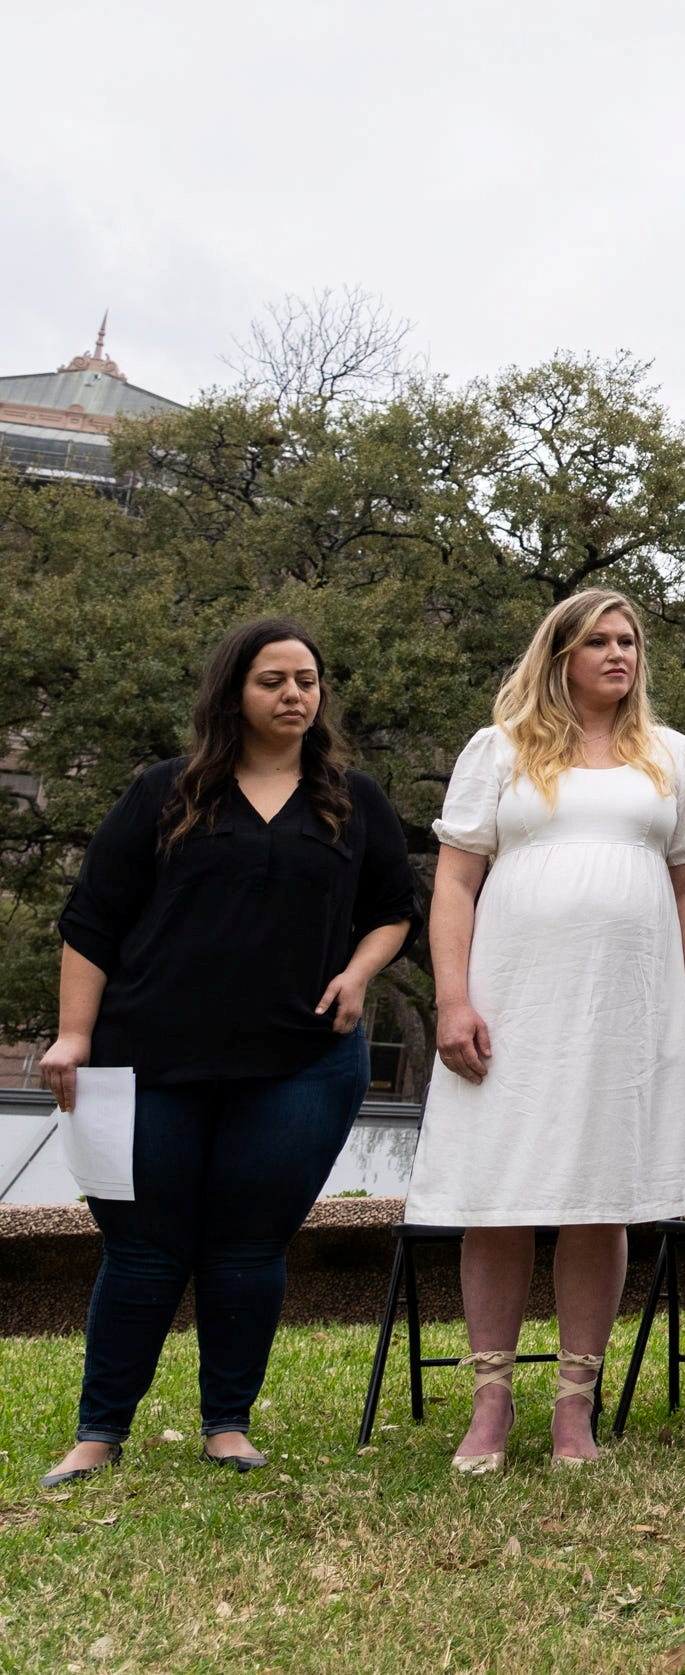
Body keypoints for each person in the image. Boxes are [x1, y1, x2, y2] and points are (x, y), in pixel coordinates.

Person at [37, 619, 417, 1488]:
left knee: (249, 1247)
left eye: (307, 681)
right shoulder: (165, 793)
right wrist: (72, 1035)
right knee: (142, 1250)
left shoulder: (352, 800)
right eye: (272, 680)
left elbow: (395, 906)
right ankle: (99, 1433)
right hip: (147, 1061)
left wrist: (360, 972)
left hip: (301, 1064)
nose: (294, 695)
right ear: (232, 693)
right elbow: (92, 920)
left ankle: (228, 1426)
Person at [405, 589, 685, 1473]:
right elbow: (455, 883)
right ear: (560, 656)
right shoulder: (499, 750)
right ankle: (491, 1403)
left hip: (626, 1011)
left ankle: (574, 1407)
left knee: (600, 1197)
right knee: (501, 1193)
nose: (618, 654)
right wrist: (453, 997)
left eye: (628, 640)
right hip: (513, 1005)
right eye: (598, 641)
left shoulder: (673, 756)